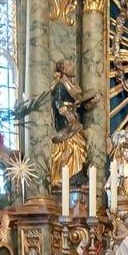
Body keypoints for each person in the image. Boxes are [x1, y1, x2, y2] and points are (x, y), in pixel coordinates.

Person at [49, 58, 94, 187]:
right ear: (62, 69)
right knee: (70, 146)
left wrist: (89, 103)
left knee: (79, 147)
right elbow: (58, 102)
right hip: (65, 121)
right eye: (69, 65)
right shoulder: (60, 84)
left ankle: (76, 175)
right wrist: (65, 112)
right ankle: (64, 176)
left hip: (74, 119)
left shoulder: (74, 87)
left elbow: (78, 103)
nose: (72, 66)